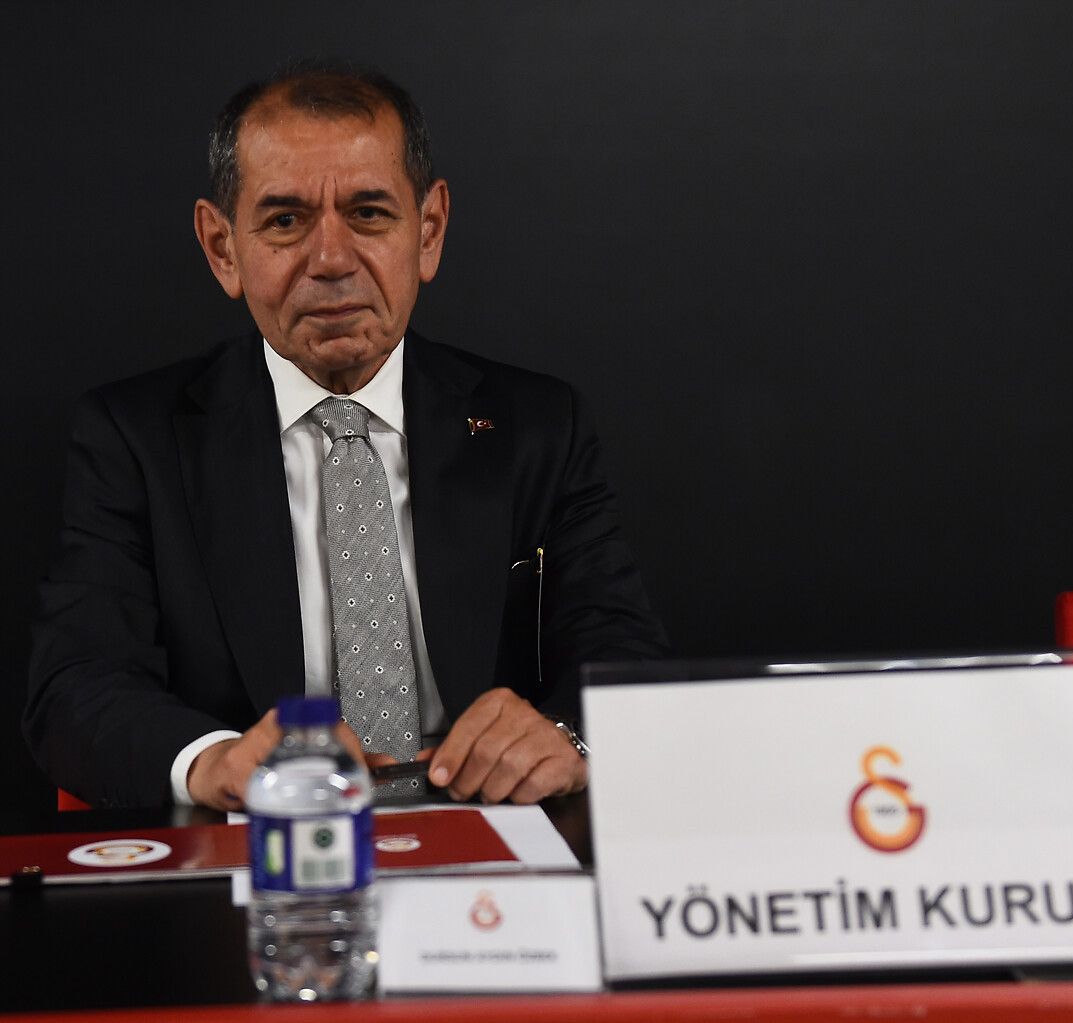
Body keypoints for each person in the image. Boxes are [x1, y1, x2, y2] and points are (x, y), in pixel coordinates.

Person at [24, 62, 668, 811]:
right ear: (223, 247)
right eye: (285, 221)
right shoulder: (133, 440)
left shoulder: (539, 426)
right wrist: (219, 761)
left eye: (367, 213)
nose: (331, 260)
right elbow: (75, 687)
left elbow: (620, 651)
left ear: (428, 231)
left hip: (493, 831)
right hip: (262, 836)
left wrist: (567, 736)